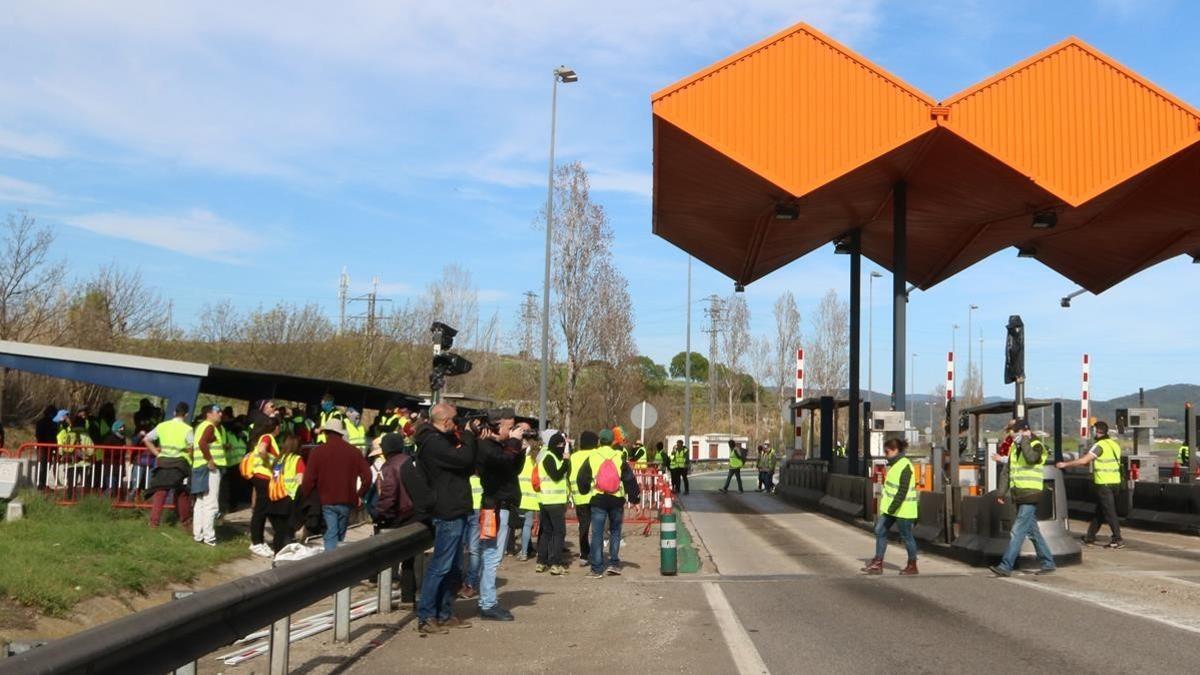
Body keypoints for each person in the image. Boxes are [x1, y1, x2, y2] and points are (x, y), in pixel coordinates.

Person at [415, 402, 477, 636]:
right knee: (440, 566)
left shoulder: (443, 440)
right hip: (446, 510)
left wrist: (467, 437)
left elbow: (468, 463)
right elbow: (461, 459)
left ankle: (444, 612)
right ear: (444, 421)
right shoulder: (432, 443)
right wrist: (469, 435)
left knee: (452, 567)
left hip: (456, 507)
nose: (457, 423)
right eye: (454, 419)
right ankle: (427, 616)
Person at [474, 410, 526, 621]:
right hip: (493, 507)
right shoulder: (486, 447)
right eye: (509, 427)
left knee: (492, 555)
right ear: (496, 427)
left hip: (500, 506)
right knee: (491, 556)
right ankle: (487, 602)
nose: (512, 431)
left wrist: (519, 449)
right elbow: (503, 463)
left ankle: (486, 599)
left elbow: (513, 469)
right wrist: (513, 443)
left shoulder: (498, 446)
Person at [989, 420, 1056, 576]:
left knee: (1017, 530)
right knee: (1033, 532)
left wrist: (1024, 440)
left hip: (1031, 493)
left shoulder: (1037, 445)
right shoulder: (1014, 447)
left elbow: (1031, 458)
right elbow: (1007, 470)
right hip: (1018, 493)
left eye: (1016, 433)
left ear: (1025, 431)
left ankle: (1006, 566)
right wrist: (1001, 492)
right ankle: (1048, 562)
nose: (1014, 437)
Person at [373, 432, 431, 607]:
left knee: (397, 558)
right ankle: (409, 596)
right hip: (418, 516)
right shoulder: (410, 461)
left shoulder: (389, 467)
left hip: (401, 517)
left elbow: (389, 495)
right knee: (410, 559)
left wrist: (380, 515)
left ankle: (403, 595)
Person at [576, 431, 641, 578]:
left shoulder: (592, 456)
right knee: (616, 531)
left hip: (598, 499)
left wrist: (585, 490)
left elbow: (582, 478)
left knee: (597, 533)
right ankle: (614, 564)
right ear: (612, 442)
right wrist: (635, 500)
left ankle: (597, 568)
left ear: (599, 441)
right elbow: (630, 479)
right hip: (616, 499)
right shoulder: (618, 456)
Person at [300, 418, 371, 552]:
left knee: (331, 534)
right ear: (341, 433)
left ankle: (330, 563)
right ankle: (336, 560)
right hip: (347, 500)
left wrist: (307, 496)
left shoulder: (318, 451)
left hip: (326, 499)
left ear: (326, 433)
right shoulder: (354, 452)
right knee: (339, 535)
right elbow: (367, 476)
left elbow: (308, 479)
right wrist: (360, 494)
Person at [1057, 420, 1125, 549]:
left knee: (1109, 512)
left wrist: (1065, 464)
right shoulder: (1114, 444)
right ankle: (1090, 537)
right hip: (1116, 482)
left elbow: (1084, 461)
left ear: (1097, 431)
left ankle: (1117, 538)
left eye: (1093, 430)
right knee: (1100, 511)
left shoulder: (1099, 445)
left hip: (1104, 483)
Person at [861, 438, 919, 575]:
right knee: (879, 530)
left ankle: (912, 565)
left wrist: (893, 507)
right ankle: (877, 562)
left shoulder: (905, 465)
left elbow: (902, 490)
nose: (885, 454)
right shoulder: (895, 465)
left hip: (903, 510)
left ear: (895, 450)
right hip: (892, 509)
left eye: (887, 451)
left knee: (907, 537)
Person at [144, 402, 193, 528]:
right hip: (181, 464)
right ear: (186, 414)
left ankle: (154, 522)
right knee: (182, 492)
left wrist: (156, 453)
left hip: (163, 461)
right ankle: (185, 521)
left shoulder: (162, 426)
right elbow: (192, 447)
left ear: (173, 412)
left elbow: (146, 439)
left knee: (160, 491)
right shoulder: (187, 429)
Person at [246, 419, 287, 556]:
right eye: (279, 426)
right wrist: (272, 461)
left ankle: (260, 541)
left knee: (262, 510)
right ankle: (256, 542)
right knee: (260, 511)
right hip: (263, 477)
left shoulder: (269, 438)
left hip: (264, 478)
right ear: (275, 427)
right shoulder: (267, 437)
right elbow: (262, 450)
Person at [191, 404, 226, 546]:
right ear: (209, 414)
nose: (221, 414)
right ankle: (209, 537)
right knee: (211, 503)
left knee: (200, 502)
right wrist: (210, 460)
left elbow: (203, 442)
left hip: (199, 467)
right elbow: (202, 443)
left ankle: (198, 535)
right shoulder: (210, 427)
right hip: (209, 469)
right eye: (218, 411)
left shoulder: (201, 426)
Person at [536, 431, 571, 575]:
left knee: (547, 532)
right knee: (558, 532)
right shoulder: (549, 458)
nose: (563, 447)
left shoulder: (553, 457)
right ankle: (555, 563)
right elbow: (556, 475)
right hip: (552, 502)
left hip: (549, 501)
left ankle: (541, 561)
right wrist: (566, 461)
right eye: (561, 445)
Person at [569, 431, 599, 567]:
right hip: (594, 495)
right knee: (597, 527)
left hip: (578, 497)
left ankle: (584, 554)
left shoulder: (573, 457)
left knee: (583, 527)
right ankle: (596, 554)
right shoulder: (595, 455)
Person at [517, 441, 540, 561]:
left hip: (521, 497)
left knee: (524, 526)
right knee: (528, 525)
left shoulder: (522, 461)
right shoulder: (537, 463)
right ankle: (526, 551)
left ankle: (524, 551)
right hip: (533, 498)